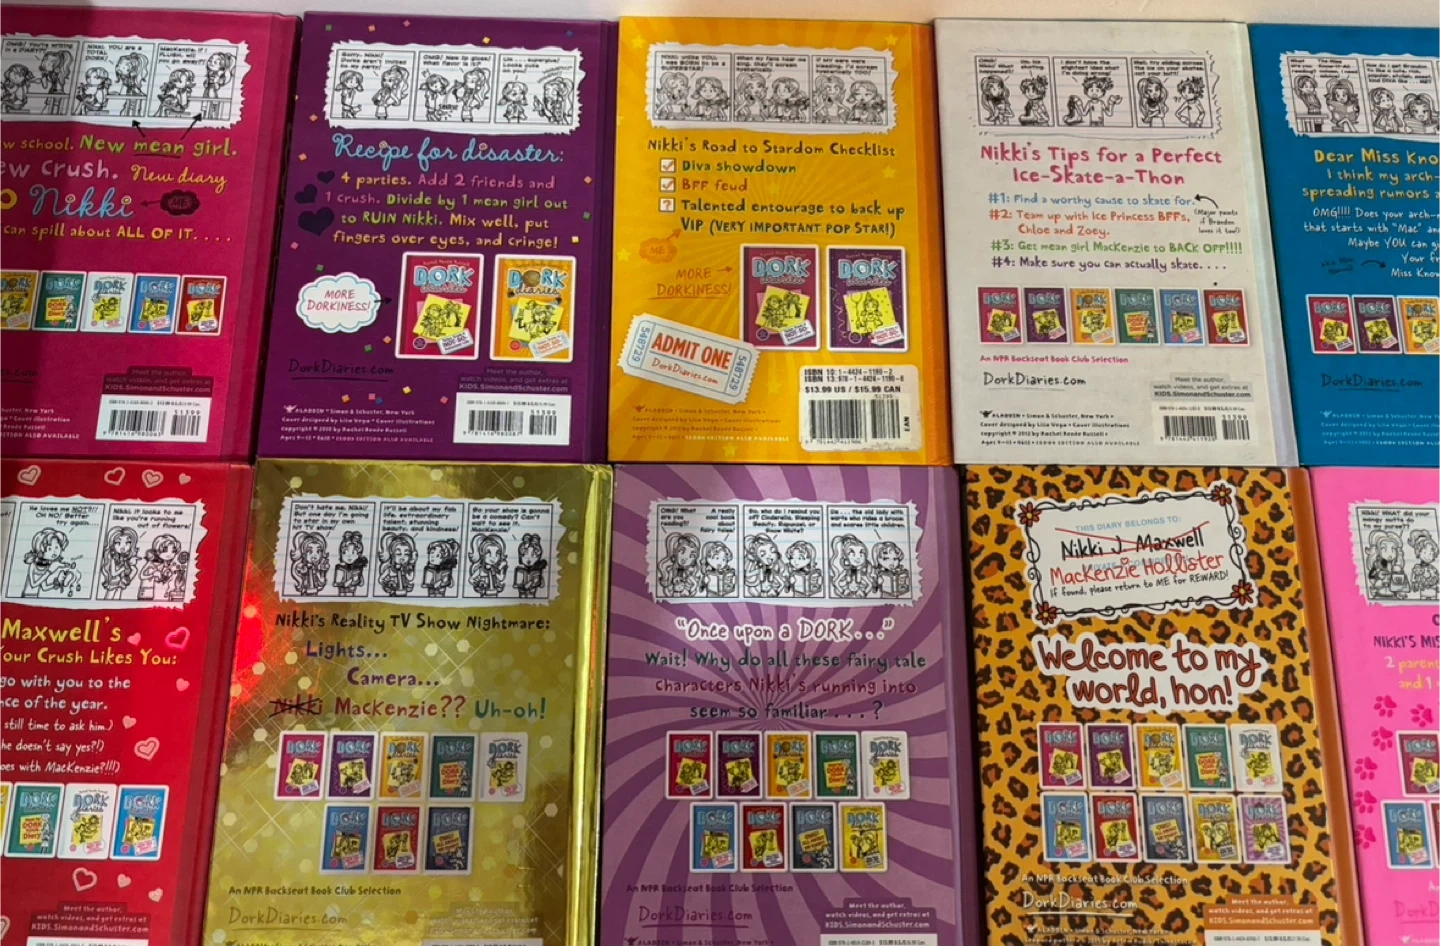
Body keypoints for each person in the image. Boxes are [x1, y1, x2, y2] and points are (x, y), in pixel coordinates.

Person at [22, 528, 83, 598]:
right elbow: (33, 584)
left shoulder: (46, 565)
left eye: (56, 547)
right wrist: (49, 571)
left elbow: (44, 587)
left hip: (35, 597)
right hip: (26, 596)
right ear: (40, 550)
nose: (54, 551)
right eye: (49, 549)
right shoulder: (33, 564)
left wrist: (57, 584)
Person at [139, 534, 188, 601]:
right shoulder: (151, 562)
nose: (169, 554)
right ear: (157, 551)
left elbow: (164, 577)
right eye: (165, 550)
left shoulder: (166, 564)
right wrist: (152, 574)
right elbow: (142, 576)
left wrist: (167, 574)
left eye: (173, 551)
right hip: (146, 590)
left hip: (157, 592)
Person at [98, 526, 140, 600]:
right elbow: (113, 573)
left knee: (117, 597)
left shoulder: (124, 558)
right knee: (109, 597)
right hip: (114, 581)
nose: (123, 546)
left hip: (120, 581)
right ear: (112, 544)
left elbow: (133, 570)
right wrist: (122, 569)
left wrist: (130, 565)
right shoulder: (112, 558)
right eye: (118, 543)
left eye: (127, 543)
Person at [657, 533, 701, 597]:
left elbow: (694, 586)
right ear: (675, 552)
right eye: (682, 551)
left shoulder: (689, 573)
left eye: (692, 555)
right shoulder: (671, 571)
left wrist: (692, 587)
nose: (686, 558)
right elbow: (668, 586)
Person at [289, 531, 329, 596]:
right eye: (309, 551)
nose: (314, 555)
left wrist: (322, 574)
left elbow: (321, 581)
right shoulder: (302, 567)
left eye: (318, 551)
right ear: (303, 553)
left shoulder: (317, 568)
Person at [377, 532, 417, 596]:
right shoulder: (389, 570)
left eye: (406, 554)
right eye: (398, 554)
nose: (402, 557)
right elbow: (380, 580)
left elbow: (410, 578)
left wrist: (412, 563)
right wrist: (388, 583)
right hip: (393, 592)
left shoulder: (405, 569)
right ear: (391, 552)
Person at [513, 533, 547, 598]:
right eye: (525, 554)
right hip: (522, 593)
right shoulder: (520, 570)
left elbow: (541, 585)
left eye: (533, 555)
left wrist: (539, 579)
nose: (529, 559)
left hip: (532, 593)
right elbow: (517, 584)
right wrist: (525, 585)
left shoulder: (536, 570)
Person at [333, 531, 367, 596]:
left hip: (352, 593)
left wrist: (357, 577)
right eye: (346, 553)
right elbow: (335, 583)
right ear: (341, 554)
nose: (349, 556)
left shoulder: (357, 568)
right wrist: (345, 584)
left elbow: (361, 583)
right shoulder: (340, 567)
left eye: (353, 553)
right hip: (342, 593)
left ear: (358, 555)